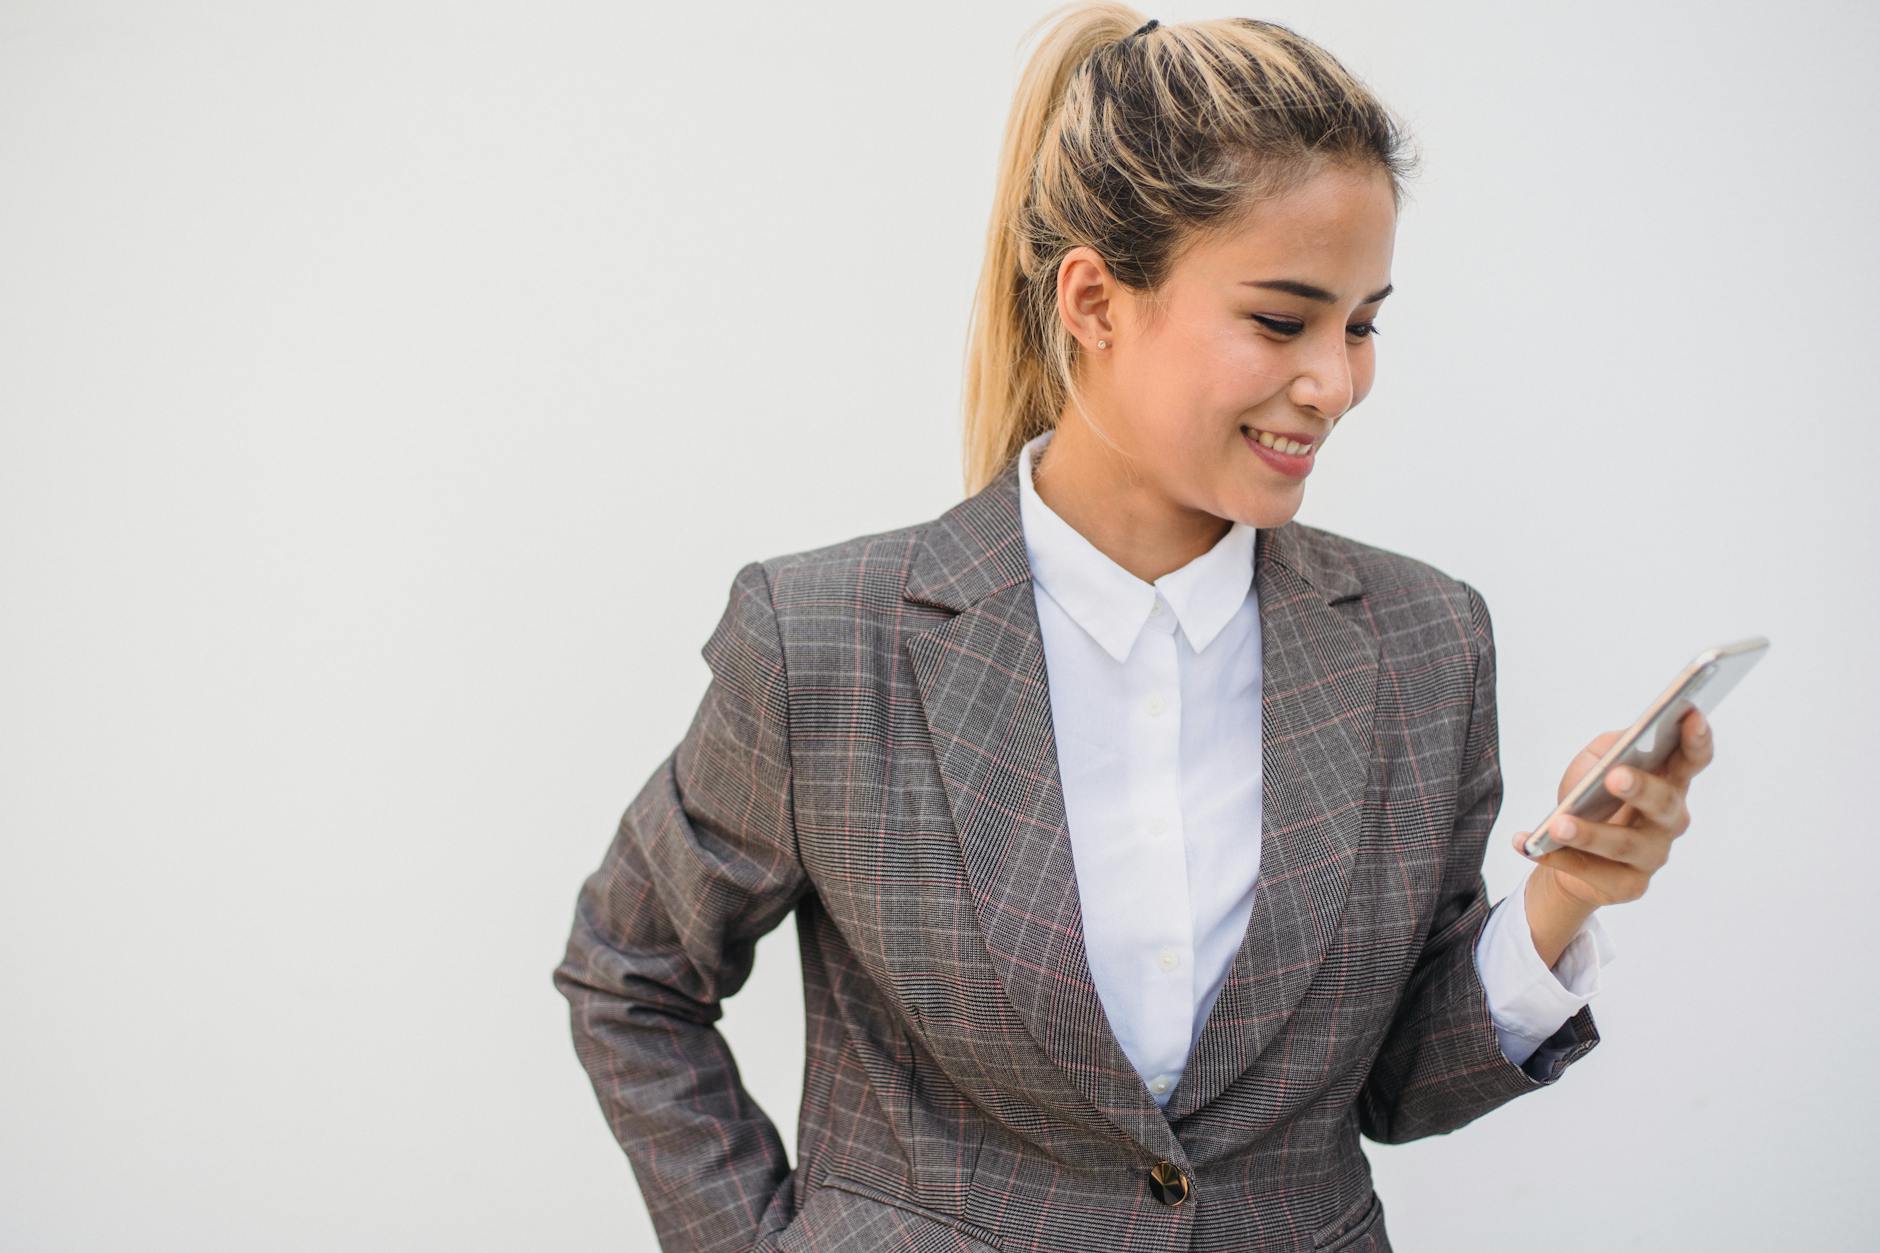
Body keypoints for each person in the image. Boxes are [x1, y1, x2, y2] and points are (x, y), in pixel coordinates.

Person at [552, 7, 1714, 1250]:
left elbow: (1391, 1085)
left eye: (1362, 322)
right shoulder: (822, 641)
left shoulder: (1426, 645)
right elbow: (630, 973)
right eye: (1281, 320)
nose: (1335, 380)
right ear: (1095, 300)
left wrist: (1560, 896)